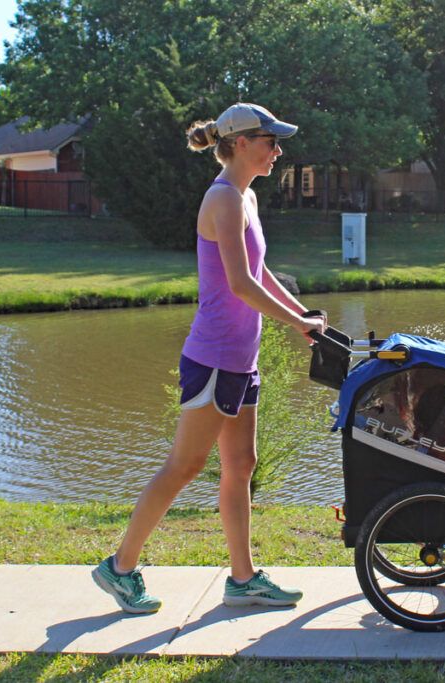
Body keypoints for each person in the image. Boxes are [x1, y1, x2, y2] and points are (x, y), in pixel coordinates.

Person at [92, 103, 326, 613]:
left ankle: (242, 580)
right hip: (215, 357)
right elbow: (239, 285)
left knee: (241, 464)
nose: (278, 151)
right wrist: (296, 323)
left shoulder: (247, 197)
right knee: (185, 464)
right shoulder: (222, 199)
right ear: (241, 143)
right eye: (270, 141)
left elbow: (260, 274)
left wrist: (301, 313)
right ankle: (120, 567)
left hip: (241, 358)